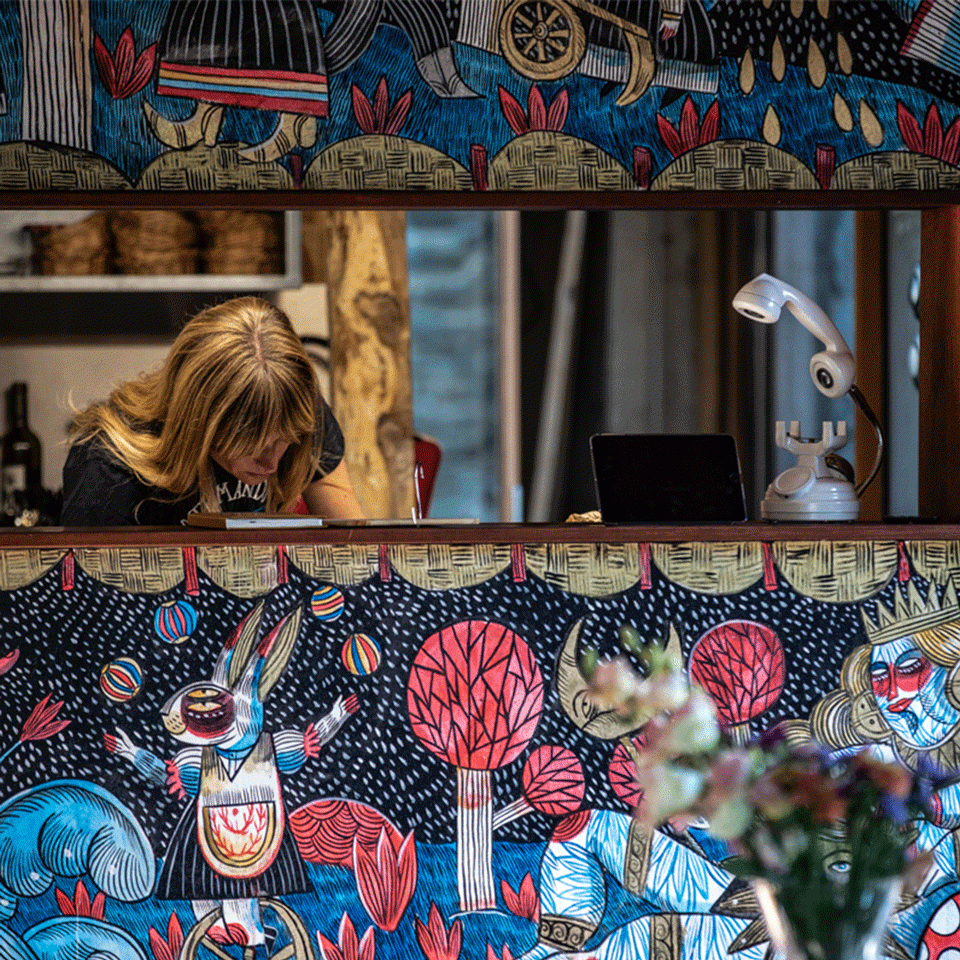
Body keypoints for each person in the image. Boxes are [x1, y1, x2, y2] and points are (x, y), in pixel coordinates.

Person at [60, 296, 364, 526]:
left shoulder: (293, 410)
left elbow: (356, 555)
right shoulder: (107, 471)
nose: (271, 462)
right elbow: (94, 588)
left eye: (284, 439)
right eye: (252, 444)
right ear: (198, 420)